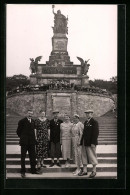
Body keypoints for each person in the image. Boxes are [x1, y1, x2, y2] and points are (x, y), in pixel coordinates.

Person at [16, 109, 40, 178]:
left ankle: (33, 170)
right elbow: (18, 131)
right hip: (24, 142)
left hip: (32, 142)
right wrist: (23, 138)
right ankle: (23, 171)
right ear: (27, 113)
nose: (30, 115)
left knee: (33, 157)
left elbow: (34, 131)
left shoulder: (33, 121)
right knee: (23, 157)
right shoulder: (22, 121)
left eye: (31, 113)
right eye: (29, 113)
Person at [78, 110, 99, 178]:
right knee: (84, 156)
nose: (87, 115)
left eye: (88, 113)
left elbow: (96, 133)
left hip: (91, 143)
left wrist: (93, 142)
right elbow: (84, 133)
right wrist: (81, 142)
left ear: (92, 114)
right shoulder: (86, 122)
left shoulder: (94, 122)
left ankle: (94, 171)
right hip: (85, 142)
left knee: (92, 156)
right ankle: (85, 170)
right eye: (86, 114)